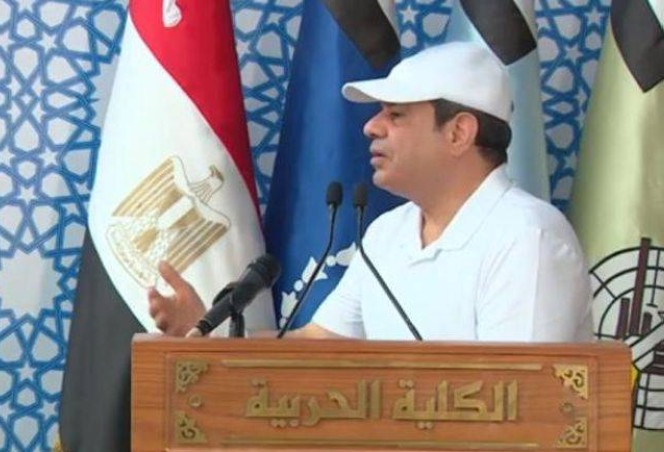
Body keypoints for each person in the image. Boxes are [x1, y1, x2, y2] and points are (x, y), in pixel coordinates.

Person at [148, 41, 594, 342]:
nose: (371, 127)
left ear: (459, 133)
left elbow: (521, 404)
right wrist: (206, 334)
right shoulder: (386, 233)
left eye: (396, 115)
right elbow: (316, 345)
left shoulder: (526, 237)